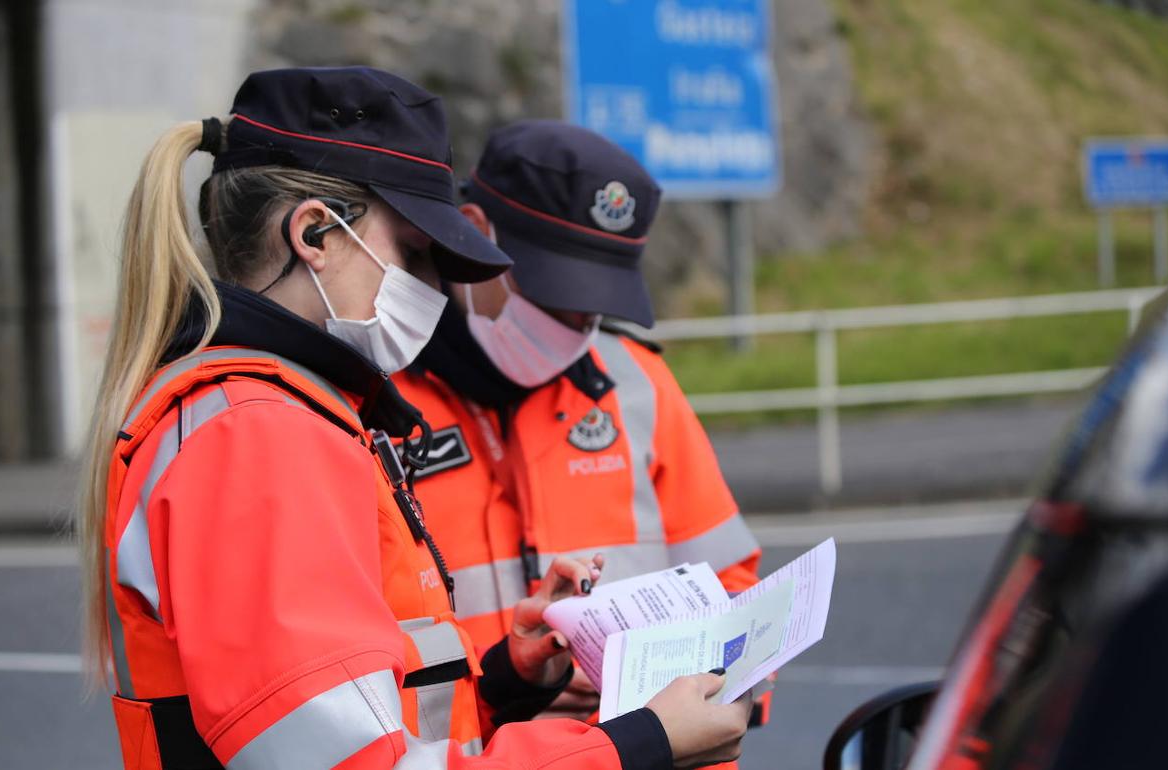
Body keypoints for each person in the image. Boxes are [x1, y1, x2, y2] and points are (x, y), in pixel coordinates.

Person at [76, 67, 752, 770]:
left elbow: (350, 719)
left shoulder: (270, 412)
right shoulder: (258, 434)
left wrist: (503, 680)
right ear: (315, 234)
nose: (436, 289)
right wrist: (636, 743)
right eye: (416, 253)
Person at [393, 120, 765, 721]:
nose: (575, 323)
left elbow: (734, 588)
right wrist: (508, 684)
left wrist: (710, 684)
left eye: (595, 302)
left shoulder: (636, 380)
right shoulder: (372, 403)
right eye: (556, 294)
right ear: (475, 235)